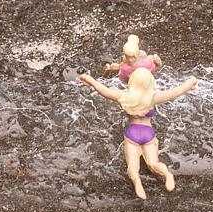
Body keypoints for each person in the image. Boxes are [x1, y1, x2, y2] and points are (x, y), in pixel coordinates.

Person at [79, 68, 197, 199]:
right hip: (148, 134)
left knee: (133, 167)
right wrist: (191, 82)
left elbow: (104, 91)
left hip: (132, 135)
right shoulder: (153, 97)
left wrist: (90, 80)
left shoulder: (124, 96)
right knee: (153, 163)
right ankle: (167, 175)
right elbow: (176, 92)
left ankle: (137, 182)